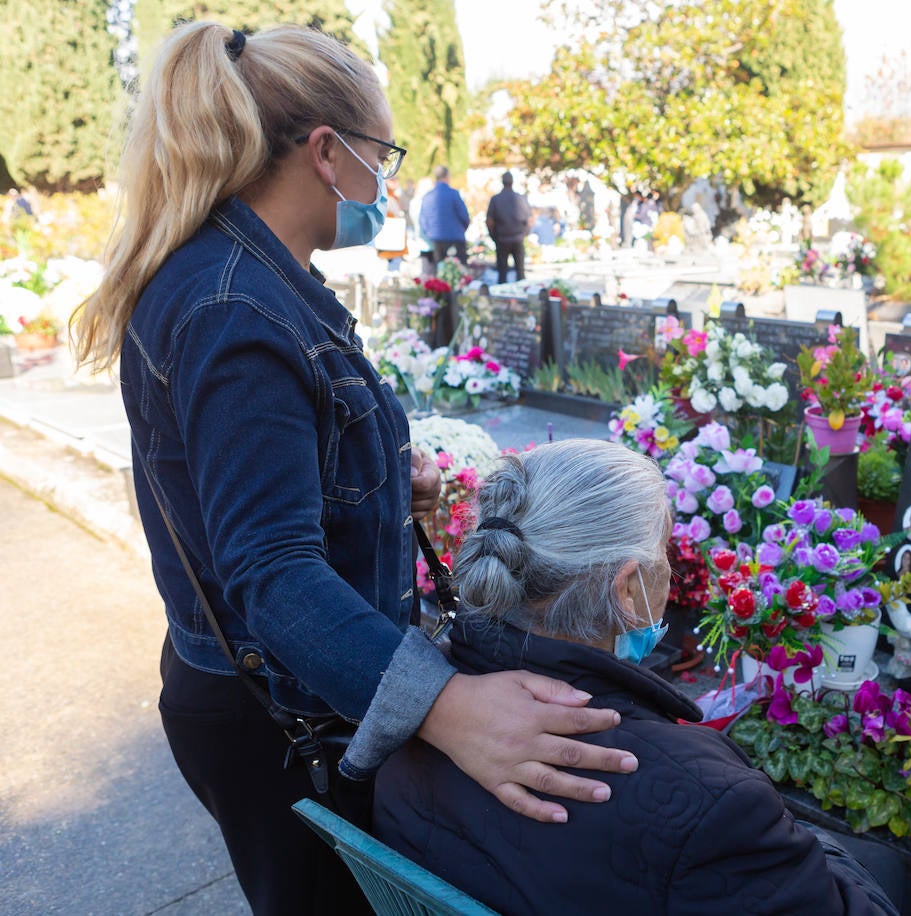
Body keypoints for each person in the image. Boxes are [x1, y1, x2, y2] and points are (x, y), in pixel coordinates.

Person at [73, 22, 634, 914]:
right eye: (384, 152)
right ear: (327, 153)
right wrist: (451, 709)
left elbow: (255, 477)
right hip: (279, 720)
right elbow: (269, 572)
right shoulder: (235, 308)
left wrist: (370, 477)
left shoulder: (239, 271)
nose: (390, 179)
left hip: (271, 698)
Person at [374, 439, 901, 916]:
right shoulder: (717, 804)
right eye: (665, 551)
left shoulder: (416, 703)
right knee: (888, 866)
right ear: (626, 590)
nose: (669, 567)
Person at [418, 164, 469, 272]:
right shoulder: (453, 194)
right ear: (447, 176)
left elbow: (423, 222)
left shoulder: (427, 196)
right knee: (459, 273)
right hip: (455, 239)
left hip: (437, 240)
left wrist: (431, 234)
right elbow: (464, 216)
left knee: (441, 273)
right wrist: (461, 230)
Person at [486, 170, 531, 283]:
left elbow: (489, 221)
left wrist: (494, 236)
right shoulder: (520, 198)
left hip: (502, 238)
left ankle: (503, 295)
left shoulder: (496, 199)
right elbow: (529, 219)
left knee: (502, 273)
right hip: (516, 238)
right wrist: (524, 233)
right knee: (520, 272)